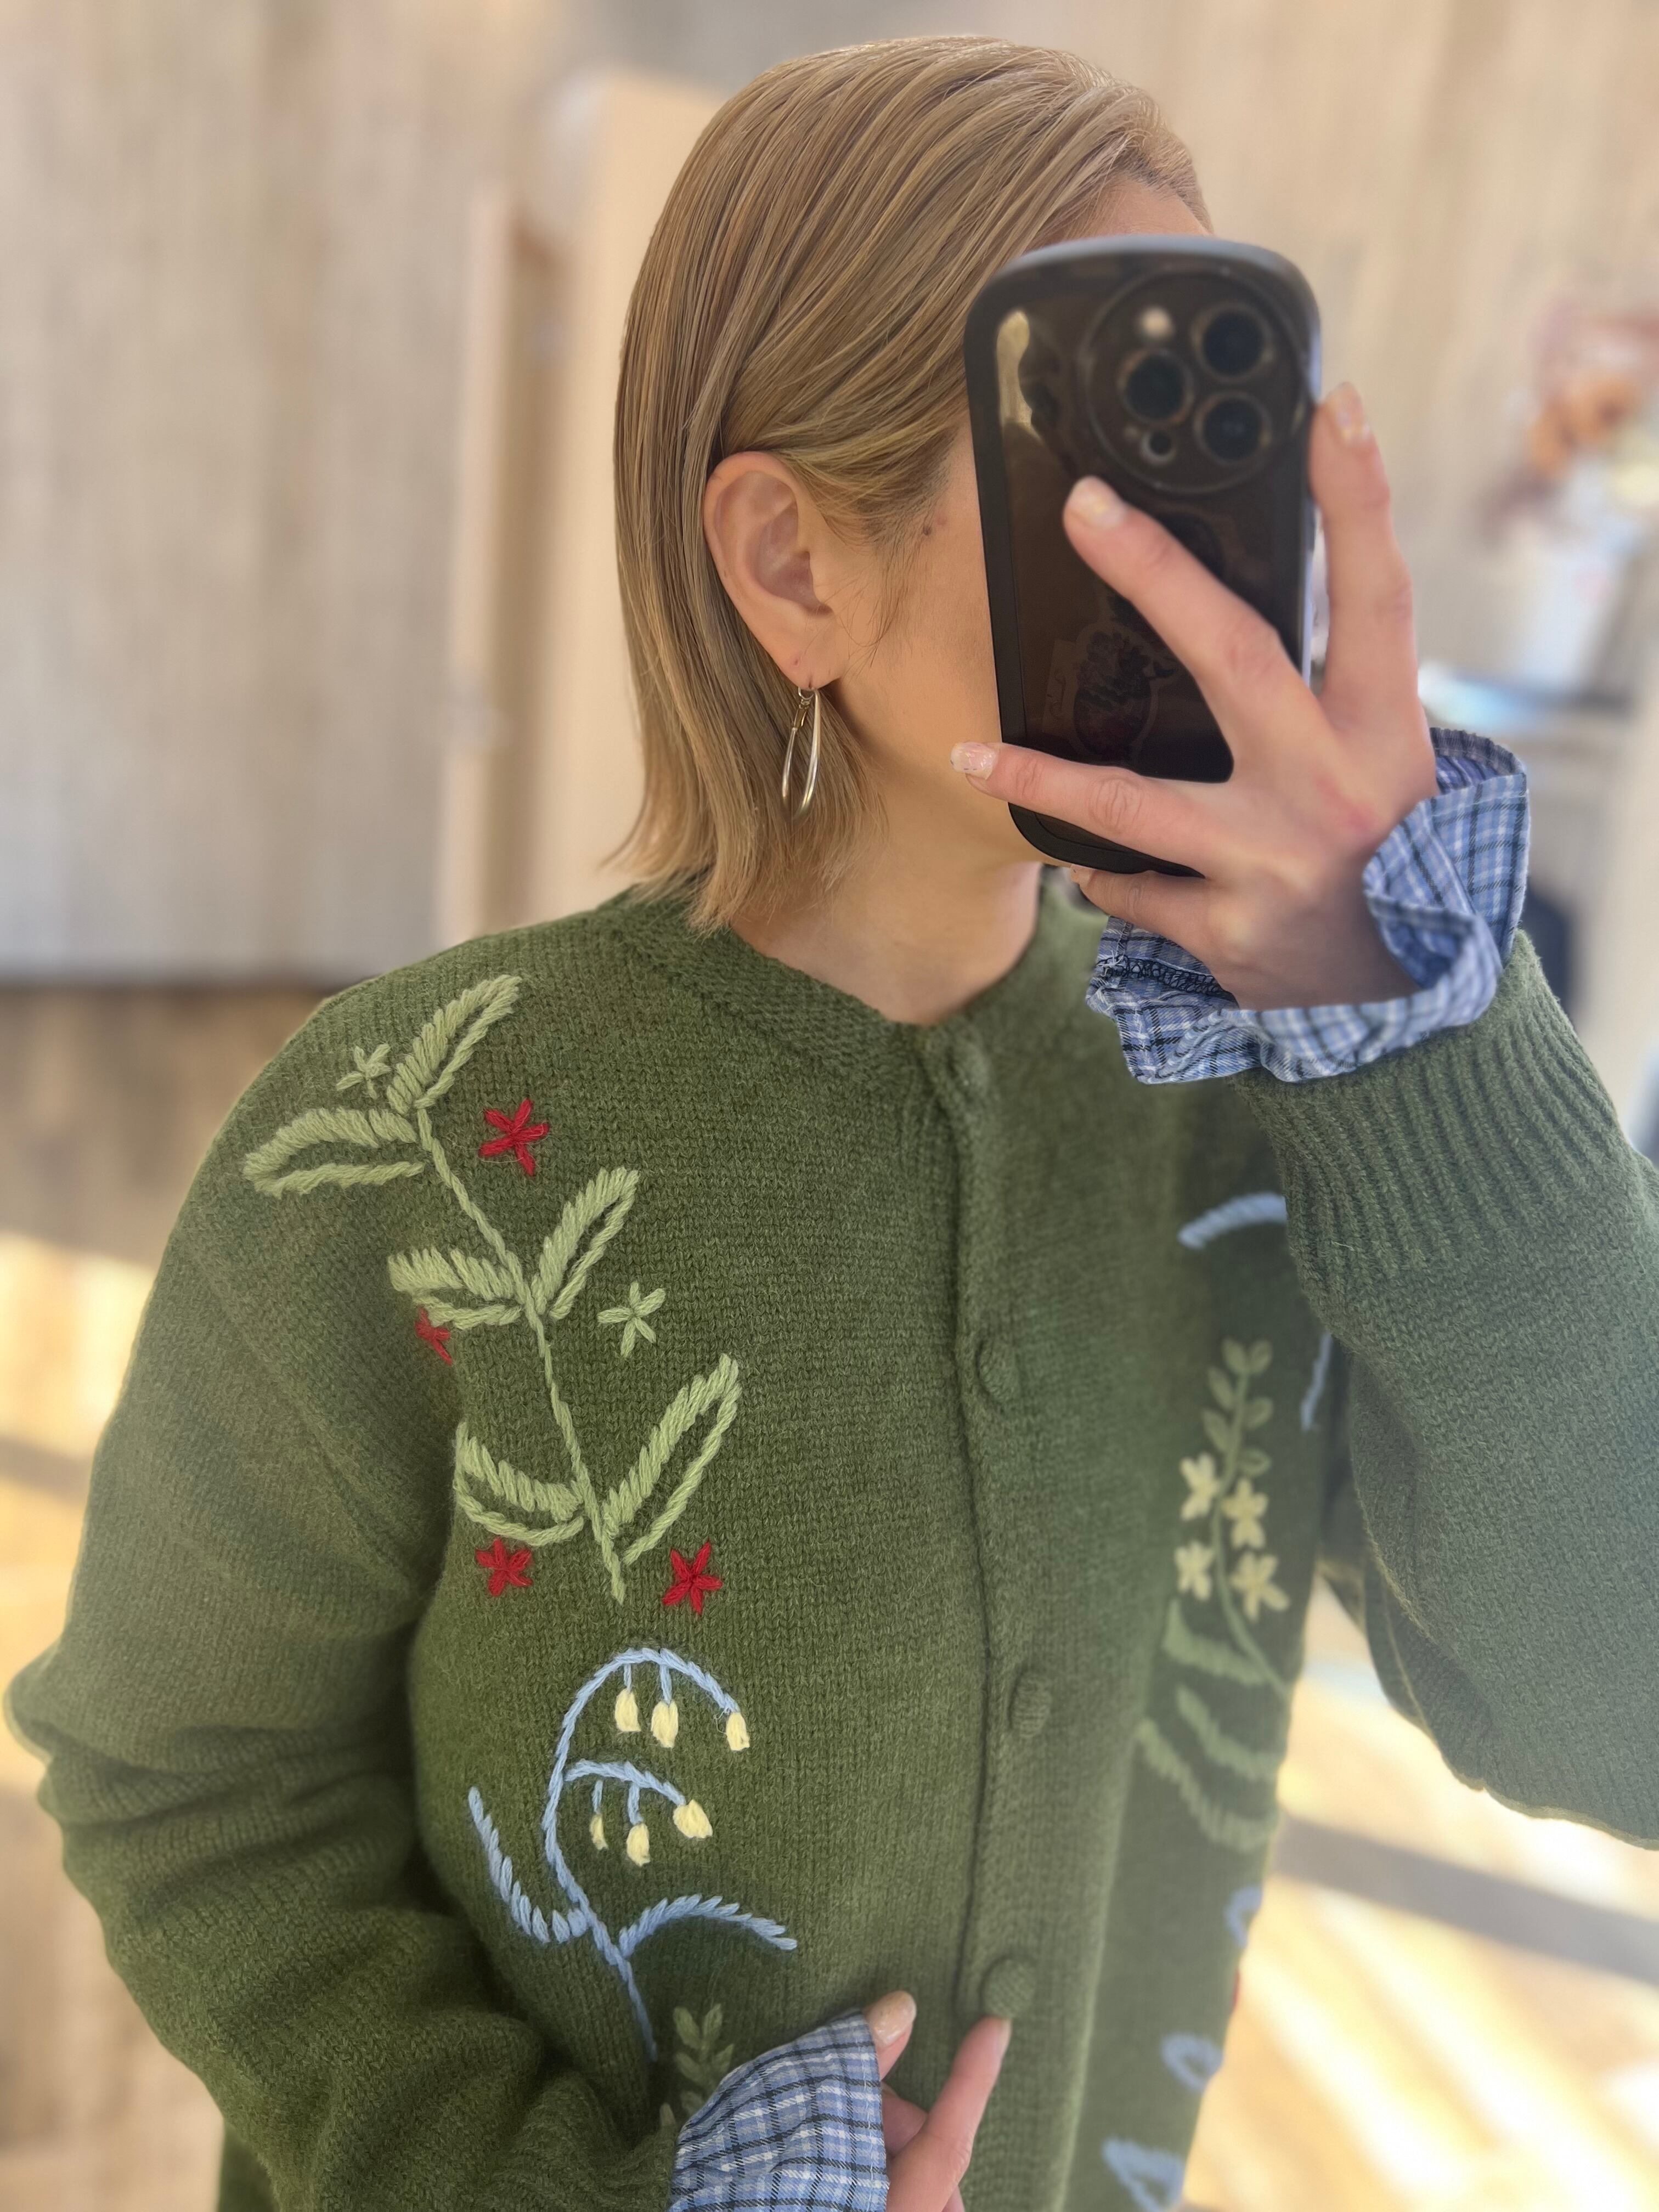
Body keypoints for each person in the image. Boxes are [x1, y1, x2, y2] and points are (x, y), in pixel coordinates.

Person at [9, 35, 1658, 2212]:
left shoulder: (1287, 1122)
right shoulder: (403, 1143)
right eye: (1104, 457)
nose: (1207, 563)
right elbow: (185, 1777)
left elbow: (1616, 1704)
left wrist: (1417, 1028)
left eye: (1223, 449)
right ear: (794, 563)